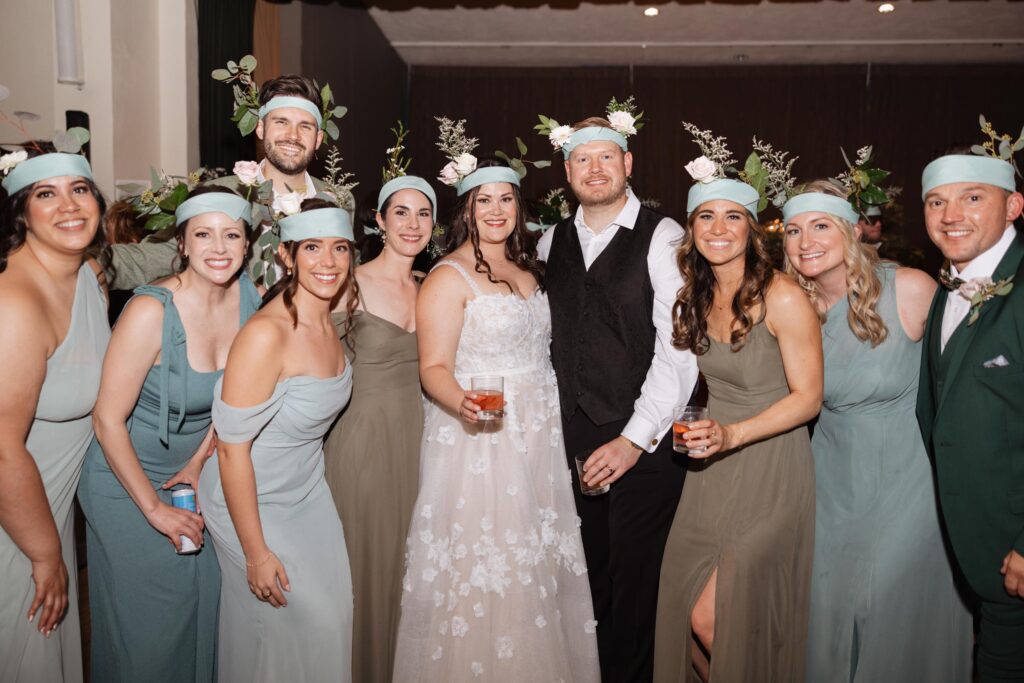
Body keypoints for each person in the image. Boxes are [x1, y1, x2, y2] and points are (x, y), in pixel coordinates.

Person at [393, 157, 600, 681]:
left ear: (518, 206)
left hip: (539, 432)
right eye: (483, 200)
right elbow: (433, 367)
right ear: (467, 208)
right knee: (488, 564)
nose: (496, 210)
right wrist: (460, 401)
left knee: (536, 562)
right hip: (480, 438)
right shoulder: (448, 275)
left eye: (505, 198)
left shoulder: (532, 268)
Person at [782, 179, 972, 682]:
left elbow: (970, 389)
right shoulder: (789, 310)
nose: (807, 242)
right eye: (794, 230)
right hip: (828, 489)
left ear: (849, 231)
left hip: (907, 486)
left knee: (890, 621)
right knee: (826, 622)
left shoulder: (909, 288)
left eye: (821, 226)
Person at [537, 112, 699, 682]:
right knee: (581, 585)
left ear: (628, 164)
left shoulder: (665, 235)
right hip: (568, 435)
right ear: (567, 170)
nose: (595, 168)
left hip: (643, 439)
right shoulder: (548, 239)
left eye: (607, 156)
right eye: (583, 158)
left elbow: (679, 352)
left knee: (636, 593)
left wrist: (632, 442)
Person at [78, 186, 262, 683]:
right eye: (204, 235)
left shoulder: (252, 301)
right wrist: (154, 509)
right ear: (182, 243)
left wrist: (199, 464)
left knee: (202, 613)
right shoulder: (150, 312)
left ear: (248, 245)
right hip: (125, 480)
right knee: (151, 633)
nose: (219, 248)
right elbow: (106, 420)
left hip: (194, 479)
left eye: (232, 235)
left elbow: (235, 405)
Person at [653, 164, 822, 682]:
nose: (719, 228)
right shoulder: (697, 295)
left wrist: (734, 435)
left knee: (713, 616)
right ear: (691, 227)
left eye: (732, 217)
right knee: (686, 612)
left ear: (751, 228)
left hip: (770, 463)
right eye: (706, 216)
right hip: (711, 472)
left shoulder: (783, 295)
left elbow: (810, 398)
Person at [197, 199, 357, 682]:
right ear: (287, 256)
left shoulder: (331, 315)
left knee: (333, 621)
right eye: (312, 248)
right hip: (249, 497)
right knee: (286, 627)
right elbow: (232, 447)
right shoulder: (267, 334)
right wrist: (256, 552)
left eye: (340, 249)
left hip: (307, 493)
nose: (328, 262)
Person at [0, 146, 110, 682]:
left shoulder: (87, 273)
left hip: (51, 512)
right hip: (16, 527)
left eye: (80, 189)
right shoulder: (14, 303)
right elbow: (1, 447)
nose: (69, 205)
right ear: (22, 212)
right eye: (47, 194)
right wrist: (44, 555)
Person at [322, 170, 436, 683]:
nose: (413, 224)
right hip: (362, 442)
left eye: (424, 212)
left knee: (409, 570)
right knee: (364, 569)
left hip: (423, 442)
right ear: (379, 221)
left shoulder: (433, 287)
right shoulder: (346, 283)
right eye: (401, 212)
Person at [917, 140, 1024, 680]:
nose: (951, 216)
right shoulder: (948, 287)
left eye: (972, 197)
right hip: (979, 550)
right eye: (936, 201)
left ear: (1013, 206)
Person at [103, 74, 330, 289]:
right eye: (281, 122)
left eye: (305, 126)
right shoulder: (222, 193)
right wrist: (84, 261)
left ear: (318, 138)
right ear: (260, 128)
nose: (293, 136)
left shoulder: (337, 200)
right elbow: (153, 257)